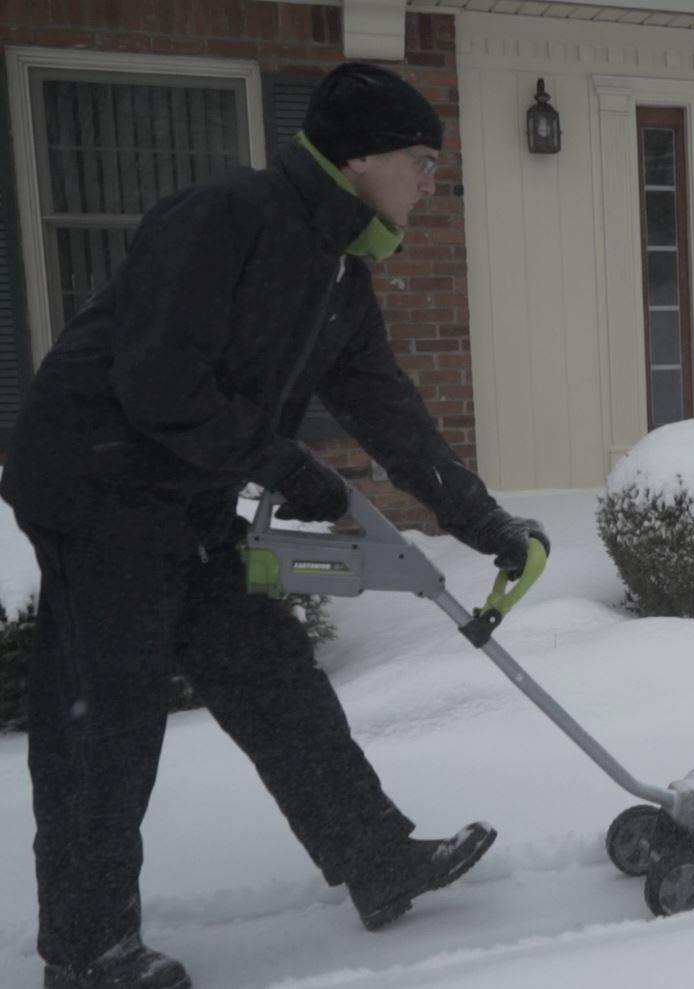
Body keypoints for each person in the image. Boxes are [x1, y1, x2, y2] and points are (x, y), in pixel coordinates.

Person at [0, 63, 549, 989]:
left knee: (269, 673)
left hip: (187, 494)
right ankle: (88, 952)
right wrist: (288, 467)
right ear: (361, 157)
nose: (429, 183)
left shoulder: (338, 272)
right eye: (421, 161)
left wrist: (481, 518)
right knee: (106, 715)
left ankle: (376, 858)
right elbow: (157, 381)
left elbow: (388, 411)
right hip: (98, 484)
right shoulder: (228, 214)